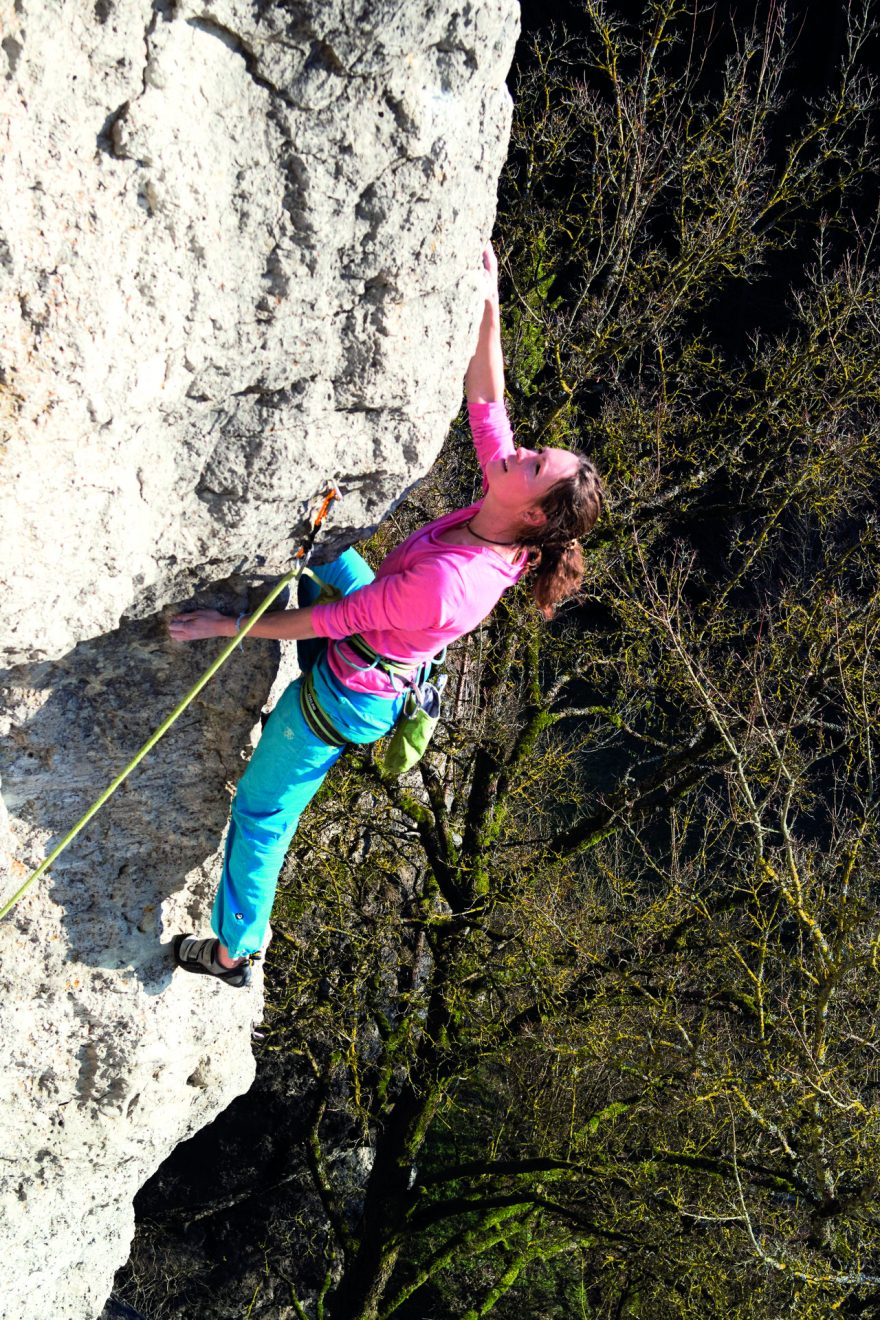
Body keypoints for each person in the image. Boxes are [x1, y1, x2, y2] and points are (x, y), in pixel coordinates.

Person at [168, 244, 603, 987]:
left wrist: (224, 630)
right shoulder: (503, 504)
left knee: (263, 810)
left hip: (349, 692)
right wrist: (490, 309)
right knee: (327, 547)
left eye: (535, 464)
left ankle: (235, 950)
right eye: (536, 451)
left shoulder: (454, 584)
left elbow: (330, 623)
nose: (522, 451)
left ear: (534, 515)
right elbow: (489, 406)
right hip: (383, 627)